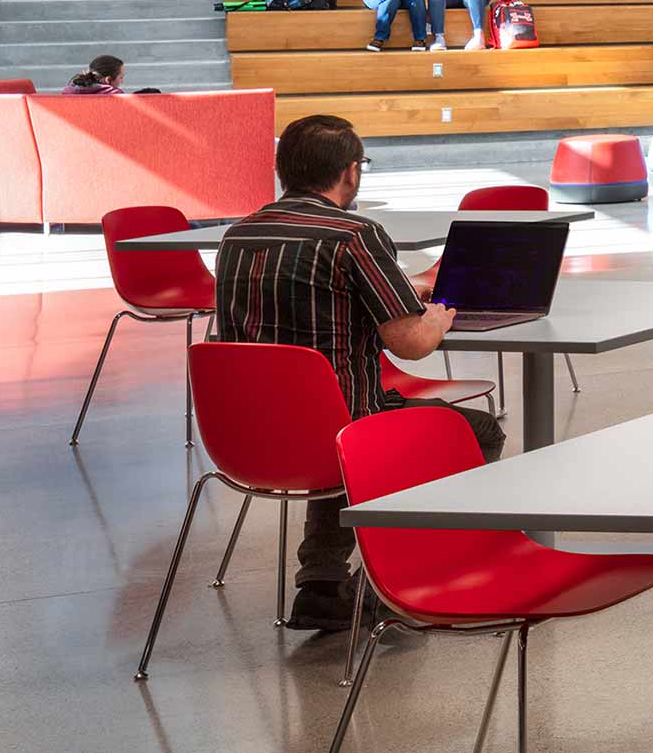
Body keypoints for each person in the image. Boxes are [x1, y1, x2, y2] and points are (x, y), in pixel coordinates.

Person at [214, 115, 506, 632]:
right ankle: (397, 582)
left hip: (248, 437)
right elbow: (412, 346)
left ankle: (323, 585)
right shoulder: (356, 235)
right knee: (476, 431)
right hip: (340, 431)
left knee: (336, 424)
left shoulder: (239, 235)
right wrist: (436, 316)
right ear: (350, 173)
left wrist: (398, 284)